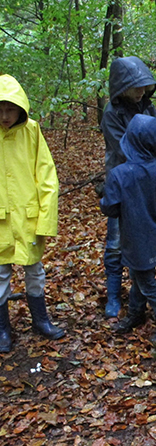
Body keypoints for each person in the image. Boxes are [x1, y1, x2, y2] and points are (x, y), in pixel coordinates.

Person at [101, 56, 156, 319]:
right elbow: (125, 151)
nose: (141, 91)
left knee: (143, 239)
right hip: (123, 183)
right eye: (136, 87)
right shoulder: (112, 115)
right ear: (122, 88)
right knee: (116, 242)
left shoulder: (146, 106)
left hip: (147, 181)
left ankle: (137, 303)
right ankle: (114, 296)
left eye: (144, 86)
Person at [100, 114, 156, 343]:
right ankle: (136, 313)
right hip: (154, 238)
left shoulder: (119, 174)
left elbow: (110, 208)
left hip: (134, 239)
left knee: (146, 280)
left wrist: (105, 197)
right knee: (139, 276)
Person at [0, 74, 65, 353]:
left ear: (21, 108)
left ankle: (41, 321)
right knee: (0, 275)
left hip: (28, 218)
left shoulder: (33, 131)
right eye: (0, 109)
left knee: (34, 271)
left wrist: (45, 220)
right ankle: (3, 329)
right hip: (1, 220)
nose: (5, 115)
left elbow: (47, 177)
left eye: (10, 108)